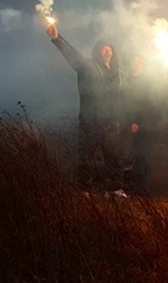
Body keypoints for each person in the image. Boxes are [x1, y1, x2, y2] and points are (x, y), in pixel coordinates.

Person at [46, 23, 130, 195]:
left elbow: (123, 98)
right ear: (98, 51)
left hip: (111, 122)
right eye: (104, 48)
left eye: (110, 48)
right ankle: (84, 189)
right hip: (91, 120)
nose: (107, 51)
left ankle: (114, 189)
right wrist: (57, 38)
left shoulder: (119, 74)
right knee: (85, 156)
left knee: (114, 157)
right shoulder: (88, 67)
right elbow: (72, 56)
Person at [124, 55, 158, 194]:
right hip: (127, 124)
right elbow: (125, 102)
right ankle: (129, 187)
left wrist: (141, 122)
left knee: (144, 156)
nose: (137, 64)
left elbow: (150, 104)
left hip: (146, 125)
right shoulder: (126, 80)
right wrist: (131, 120)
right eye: (134, 61)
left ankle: (143, 188)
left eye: (140, 62)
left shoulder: (148, 82)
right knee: (128, 156)